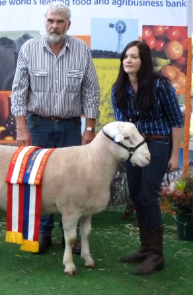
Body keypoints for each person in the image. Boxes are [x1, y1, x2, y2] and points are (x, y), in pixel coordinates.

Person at [11, 3, 100, 255]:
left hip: (72, 126)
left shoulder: (82, 50)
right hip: (37, 125)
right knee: (38, 179)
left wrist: (90, 127)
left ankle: (70, 234)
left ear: (68, 25)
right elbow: (18, 91)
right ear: (44, 21)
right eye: (51, 20)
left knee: (74, 180)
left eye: (60, 21)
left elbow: (91, 91)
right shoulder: (29, 49)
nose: (55, 25)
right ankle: (42, 232)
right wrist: (20, 127)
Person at [111, 40, 183, 275]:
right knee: (135, 196)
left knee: (148, 196)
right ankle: (145, 248)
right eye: (125, 57)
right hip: (133, 147)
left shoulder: (161, 85)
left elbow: (175, 120)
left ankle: (156, 255)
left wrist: (174, 154)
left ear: (144, 61)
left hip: (158, 143)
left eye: (134, 57)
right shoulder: (118, 89)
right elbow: (122, 126)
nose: (128, 61)